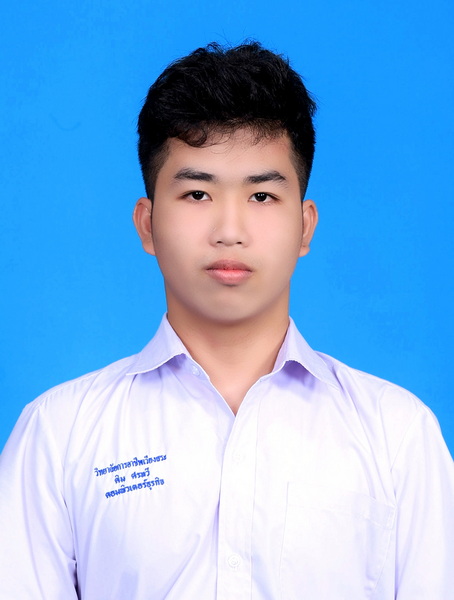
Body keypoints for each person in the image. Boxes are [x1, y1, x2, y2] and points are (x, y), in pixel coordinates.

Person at [0, 41, 453, 600]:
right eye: (197, 193)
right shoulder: (58, 435)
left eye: (262, 195)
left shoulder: (398, 435)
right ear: (146, 224)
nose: (230, 230)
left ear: (305, 226)